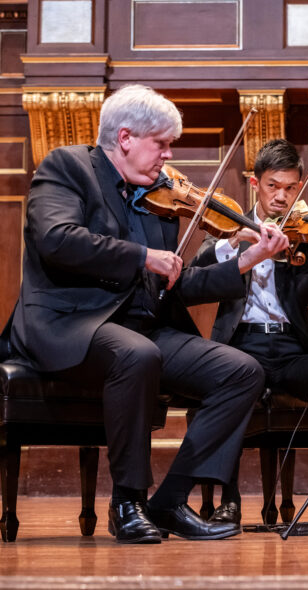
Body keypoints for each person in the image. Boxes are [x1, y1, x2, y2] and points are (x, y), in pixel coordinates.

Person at [5, 84, 289, 544]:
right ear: (125, 138)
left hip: (141, 327)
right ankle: (127, 501)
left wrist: (246, 260)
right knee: (135, 355)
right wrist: (141, 256)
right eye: (161, 144)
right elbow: (57, 238)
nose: (167, 155)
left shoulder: (159, 197)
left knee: (240, 371)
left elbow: (176, 281)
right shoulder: (67, 166)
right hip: (71, 323)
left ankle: (169, 502)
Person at [191, 138, 308, 527]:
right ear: (255, 183)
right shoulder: (230, 222)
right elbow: (198, 271)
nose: (281, 197)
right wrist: (237, 245)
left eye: (290, 188)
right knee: (225, 387)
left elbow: (306, 297)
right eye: (273, 186)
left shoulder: (304, 231)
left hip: (290, 347)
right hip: (240, 344)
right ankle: (228, 502)